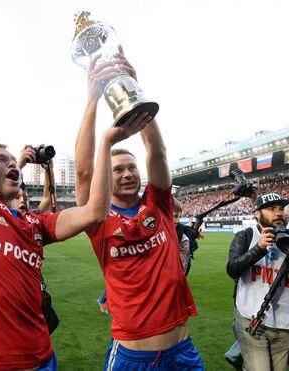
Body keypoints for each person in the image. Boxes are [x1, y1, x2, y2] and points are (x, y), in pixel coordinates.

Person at [0, 6, 146, 370]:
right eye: (0, 159)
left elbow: (93, 213)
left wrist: (104, 141)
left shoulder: (33, 225)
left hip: (43, 360)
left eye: (13, 159)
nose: (11, 163)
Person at [74, 50, 203, 370]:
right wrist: (92, 100)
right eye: (117, 169)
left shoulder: (158, 205)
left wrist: (133, 89)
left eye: (132, 167)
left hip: (182, 352)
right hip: (134, 358)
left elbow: (157, 153)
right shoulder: (97, 217)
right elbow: (84, 173)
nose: (128, 173)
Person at [226, 192, 289, 371]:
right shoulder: (246, 236)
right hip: (251, 319)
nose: (279, 213)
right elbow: (232, 269)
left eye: (280, 208)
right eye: (271, 209)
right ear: (257, 213)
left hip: (286, 324)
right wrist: (259, 248)